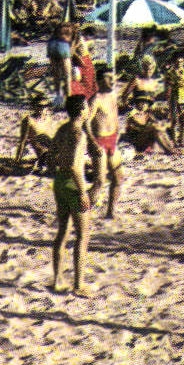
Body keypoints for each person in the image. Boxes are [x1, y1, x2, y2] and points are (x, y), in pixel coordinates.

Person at [49, 94, 93, 295]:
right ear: (82, 110)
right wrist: (83, 191)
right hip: (73, 184)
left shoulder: (62, 129)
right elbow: (76, 166)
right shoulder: (79, 133)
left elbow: (51, 154)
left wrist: (63, 163)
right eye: (87, 107)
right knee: (83, 235)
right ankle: (78, 284)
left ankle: (57, 280)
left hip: (59, 181)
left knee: (63, 232)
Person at [88, 68, 125, 218]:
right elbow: (85, 123)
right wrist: (93, 143)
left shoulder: (112, 95)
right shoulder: (95, 99)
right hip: (99, 141)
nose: (113, 81)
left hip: (112, 140)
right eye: (109, 78)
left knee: (118, 177)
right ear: (100, 81)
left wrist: (118, 133)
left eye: (113, 78)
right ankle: (80, 212)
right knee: (99, 182)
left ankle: (111, 211)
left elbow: (115, 116)